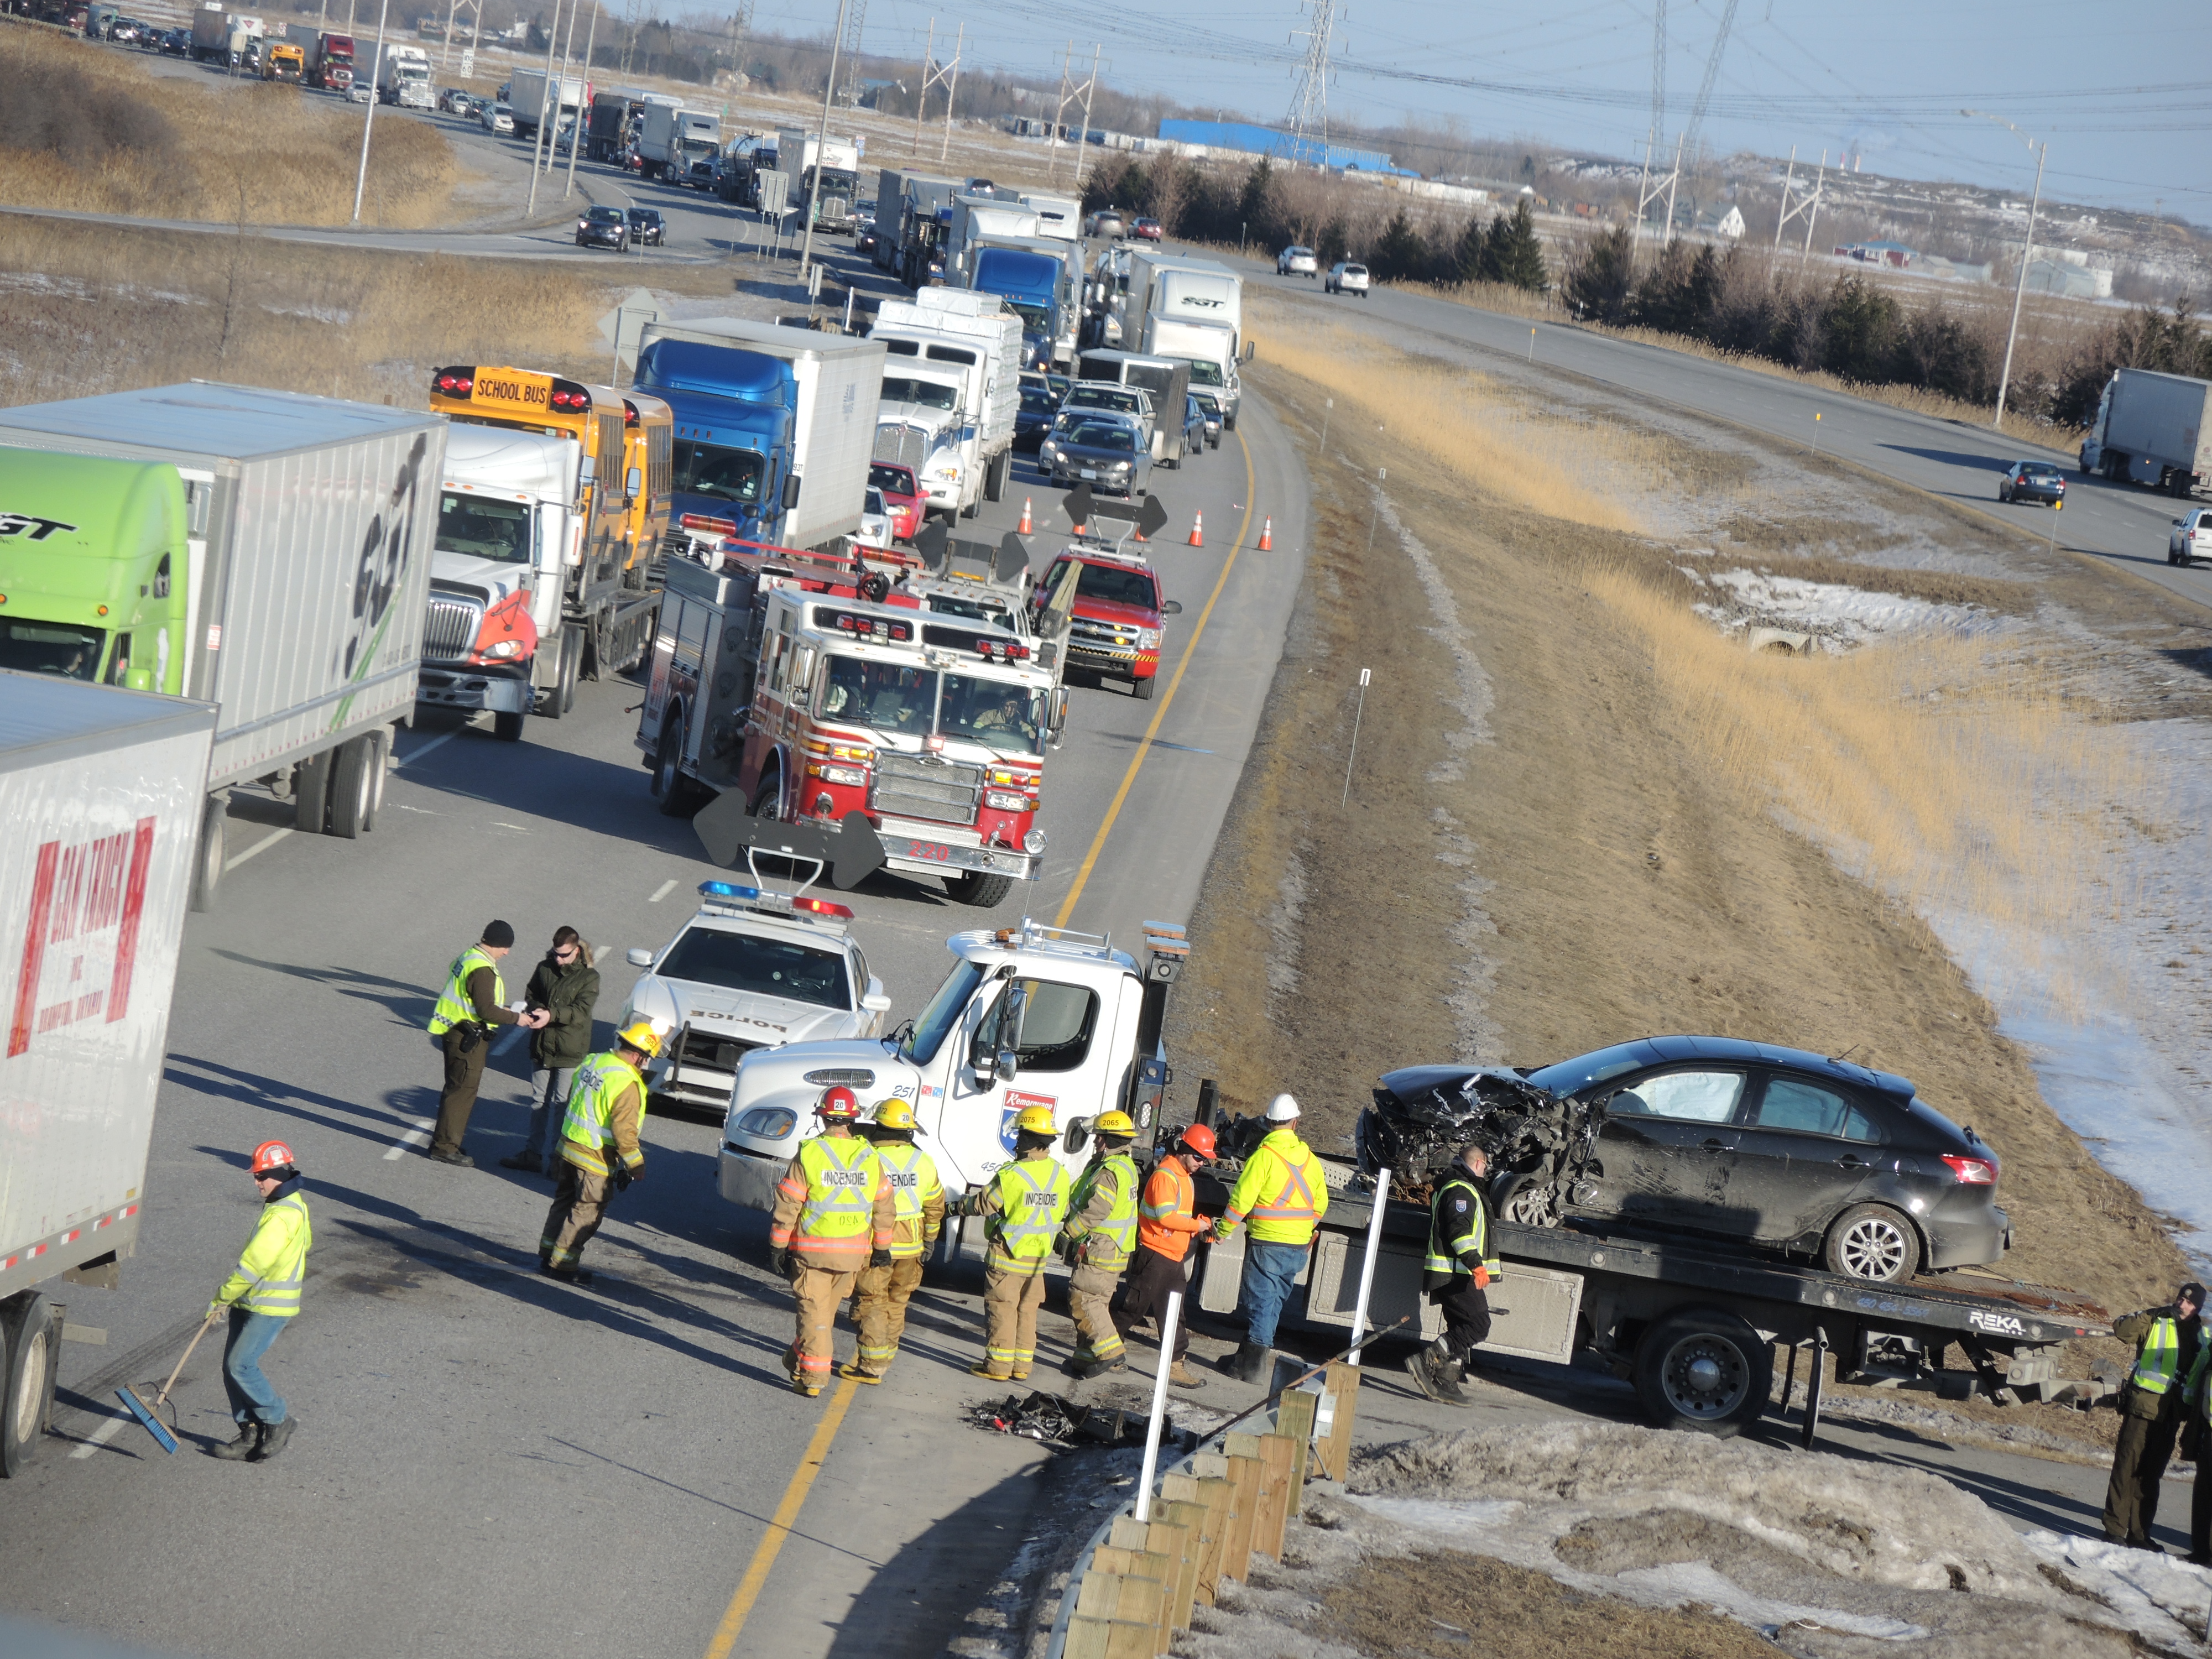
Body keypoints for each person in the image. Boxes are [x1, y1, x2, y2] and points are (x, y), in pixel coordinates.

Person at [769, 1086, 895, 1397]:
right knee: (821, 1317)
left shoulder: (810, 1153)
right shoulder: (869, 1156)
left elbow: (789, 1203)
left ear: (823, 1117)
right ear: (851, 1121)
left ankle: (813, 1379)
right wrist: (882, 1246)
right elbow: (885, 1205)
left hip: (814, 1254)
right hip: (852, 1257)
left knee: (814, 1317)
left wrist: (778, 1244)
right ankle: (795, 1359)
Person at [206, 1141, 312, 1462]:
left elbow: (255, 1264)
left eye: (262, 1176)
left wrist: (222, 1297)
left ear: (279, 1174)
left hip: (269, 1305)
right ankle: (249, 1432)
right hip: (252, 1300)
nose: (257, 1182)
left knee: (241, 1365)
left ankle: (278, 1419)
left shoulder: (281, 1215)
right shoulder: (290, 1204)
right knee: (231, 1368)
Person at [1212, 1093, 1329, 1384]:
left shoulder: (1264, 1156)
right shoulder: (1311, 1160)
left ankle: (1252, 1366)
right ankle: (1245, 1357)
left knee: (1261, 1301)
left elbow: (1242, 1200)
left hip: (1267, 1242)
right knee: (1274, 1301)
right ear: (1296, 1122)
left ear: (1267, 1122)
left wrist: (1223, 1231)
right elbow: (1321, 1204)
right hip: (1298, 1245)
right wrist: (1301, 1229)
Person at [539, 1023, 659, 1282]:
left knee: (564, 1201)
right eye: (648, 1059)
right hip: (594, 1157)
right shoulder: (627, 1082)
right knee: (586, 1211)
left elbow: (574, 1097)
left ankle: (547, 1252)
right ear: (640, 1056)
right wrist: (636, 1165)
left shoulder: (595, 1061)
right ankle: (563, 1265)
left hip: (568, 1146)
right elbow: (624, 1131)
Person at [427, 921, 547, 1167]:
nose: (507, 953)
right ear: (497, 944)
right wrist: (517, 1018)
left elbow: (472, 1001)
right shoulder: (482, 969)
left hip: (455, 1030)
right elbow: (486, 1010)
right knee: (462, 1091)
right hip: (467, 1038)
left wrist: (502, 1009)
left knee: (456, 1088)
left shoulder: (469, 957)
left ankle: (446, 1140)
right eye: (505, 947)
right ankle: (445, 1147)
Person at [966, 1105, 1072, 1383]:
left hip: (1008, 1255)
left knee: (1002, 1308)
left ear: (1028, 1139)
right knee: (1027, 1311)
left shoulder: (1012, 1175)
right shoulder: (1060, 1175)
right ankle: (1022, 1367)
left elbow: (982, 1205)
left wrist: (954, 1207)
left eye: (1020, 1135)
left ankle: (998, 1367)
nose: (1016, 1141)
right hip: (1037, 1259)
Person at [841, 1098, 944, 1384]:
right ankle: (884, 1357)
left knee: (872, 1301)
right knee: (898, 1302)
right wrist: (931, 1238)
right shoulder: (924, 1161)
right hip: (912, 1245)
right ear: (908, 1131)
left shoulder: (868, 1156)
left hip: (878, 1243)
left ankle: (872, 1367)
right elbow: (935, 1205)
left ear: (879, 1126)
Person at [1114, 1123, 1215, 1390]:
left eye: (1205, 1158)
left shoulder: (1184, 1178)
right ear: (1183, 1150)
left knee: (1174, 1314)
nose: (1201, 1162)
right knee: (1133, 1308)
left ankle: (1176, 1364)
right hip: (1155, 1255)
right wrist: (1197, 1226)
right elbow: (1165, 1216)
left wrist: (1199, 1224)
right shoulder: (1165, 1176)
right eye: (1198, 1156)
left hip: (1173, 1257)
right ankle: (1104, 1348)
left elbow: (1178, 1216)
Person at [2104, 1280, 2204, 1549]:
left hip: (2171, 1416)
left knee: (2150, 1477)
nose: (2182, 1305)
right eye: (2181, 1299)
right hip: (2144, 1408)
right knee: (2126, 1469)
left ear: (2198, 1308)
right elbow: (2121, 1330)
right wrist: (2151, 1313)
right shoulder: (2158, 1321)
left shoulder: (2202, 1338)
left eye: (2190, 1303)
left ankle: (2139, 1535)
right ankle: (2114, 1530)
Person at [500, 927, 600, 1176]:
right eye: (556, 954)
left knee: (561, 1103)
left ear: (576, 951)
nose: (559, 959)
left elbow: (580, 1011)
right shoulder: (544, 968)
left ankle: (560, 1160)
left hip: (570, 1049)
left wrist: (551, 1015)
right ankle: (532, 1154)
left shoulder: (589, 978)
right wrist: (537, 1010)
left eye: (564, 955)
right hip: (543, 1045)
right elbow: (531, 993)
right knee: (538, 1101)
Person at [1407, 1144, 1501, 1406]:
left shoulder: (1458, 1186)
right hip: (1456, 1273)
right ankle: (1426, 1361)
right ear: (1480, 1163)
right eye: (1486, 1166)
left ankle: (1447, 1382)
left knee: (1460, 1328)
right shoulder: (1461, 1189)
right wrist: (1476, 1265)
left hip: (1456, 1272)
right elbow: (1459, 1232)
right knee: (1478, 1325)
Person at [1061, 1110, 1142, 1380]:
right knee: (1097, 1302)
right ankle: (1085, 1358)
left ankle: (1111, 1352)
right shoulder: (1126, 1166)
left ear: (1108, 1140)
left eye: (1098, 1138)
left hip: (1101, 1247)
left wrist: (1068, 1234)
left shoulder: (1109, 1171)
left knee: (1083, 1299)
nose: (1095, 1143)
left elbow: (1095, 1211)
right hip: (1116, 1249)